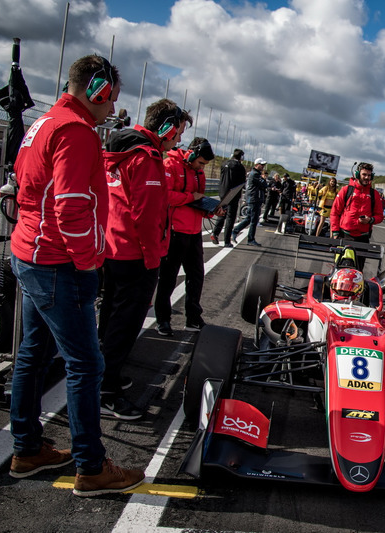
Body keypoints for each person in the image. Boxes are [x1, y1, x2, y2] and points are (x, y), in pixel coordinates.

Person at [8, 54, 145, 495]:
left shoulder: (44, 123)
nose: (112, 109)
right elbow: (70, 205)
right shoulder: (76, 131)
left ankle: (27, 448)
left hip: (31, 252)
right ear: (98, 90)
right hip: (56, 264)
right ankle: (91, 466)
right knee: (86, 364)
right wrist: (88, 260)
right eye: (111, 99)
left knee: (33, 355)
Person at [98, 99, 188, 420]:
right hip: (136, 254)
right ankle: (106, 392)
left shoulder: (120, 148)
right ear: (165, 128)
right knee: (125, 324)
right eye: (176, 133)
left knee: (110, 317)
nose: (178, 140)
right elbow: (148, 217)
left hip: (112, 248)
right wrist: (154, 260)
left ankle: (105, 375)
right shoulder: (147, 159)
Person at [154, 137, 217, 337]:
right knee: (168, 278)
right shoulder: (169, 165)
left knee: (197, 276)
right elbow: (165, 196)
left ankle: (193, 318)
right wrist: (192, 198)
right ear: (191, 153)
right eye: (200, 163)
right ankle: (162, 319)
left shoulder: (199, 172)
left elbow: (199, 199)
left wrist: (211, 209)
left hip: (194, 231)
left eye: (205, 165)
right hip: (174, 231)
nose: (202, 167)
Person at [211, 148, 246, 247]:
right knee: (230, 217)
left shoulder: (224, 164)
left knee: (221, 213)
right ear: (241, 157)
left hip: (222, 192)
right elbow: (242, 183)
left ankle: (215, 233)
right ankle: (227, 241)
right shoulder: (239, 166)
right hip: (233, 194)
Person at [231, 157, 268, 246]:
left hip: (255, 198)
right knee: (253, 220)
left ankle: (236, 231)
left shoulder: (256, 174)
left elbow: (264, 185)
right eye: (261, 165)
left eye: (263, 165)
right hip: (254, 199)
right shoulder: (255, 174)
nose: (263, 166)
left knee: (249, 218)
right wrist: (263, 181)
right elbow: (264, 184)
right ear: (257, 165)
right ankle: (250, 239)